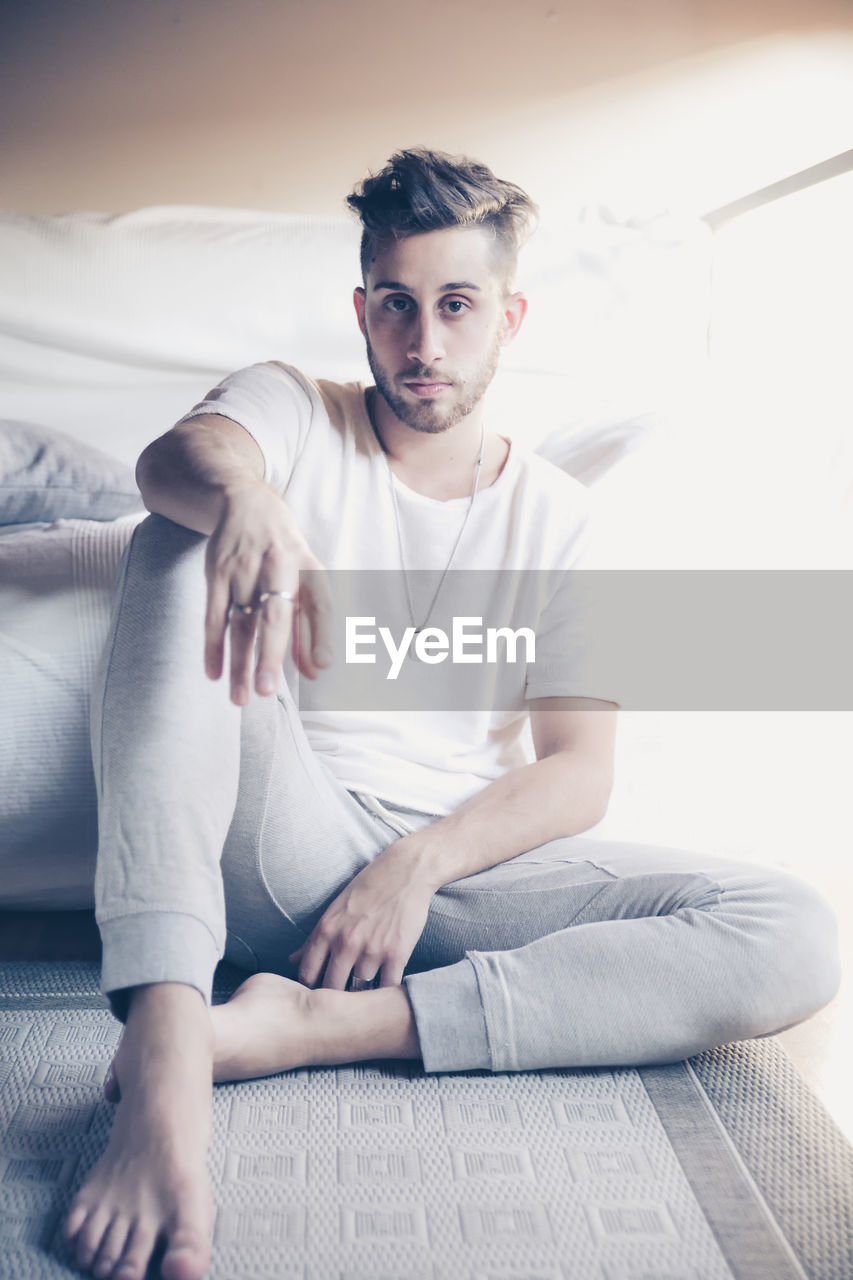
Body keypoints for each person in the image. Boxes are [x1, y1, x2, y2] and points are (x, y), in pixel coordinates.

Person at [60, 148, 839, 1280]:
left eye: (456, 306)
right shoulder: (295, 411)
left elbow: (578, 771)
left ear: (508, 317)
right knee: (173, 542)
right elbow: (176, 456)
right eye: (397, 306)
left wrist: (417, 864)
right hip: (276, 834)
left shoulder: (562, 521)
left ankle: (318, 1027)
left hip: (448, 888)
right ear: (363, 309)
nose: (423, 343)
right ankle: (171, 1047)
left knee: (791, 929)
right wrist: (248, 499)